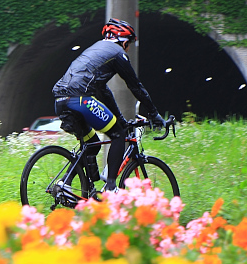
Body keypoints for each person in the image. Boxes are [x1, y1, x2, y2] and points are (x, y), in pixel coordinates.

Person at [52, 18, 165, 192]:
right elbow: (136, 86)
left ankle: (65, 184)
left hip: (60, 101)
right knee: (118, 134)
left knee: (93, 144)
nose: (128, 48)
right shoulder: (117, 53)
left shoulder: (96, 50)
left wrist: (119, 117)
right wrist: (153, 113)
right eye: (129, 45)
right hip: (81, 100)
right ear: (124, 42)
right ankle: (111, 187)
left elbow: (103, 91)